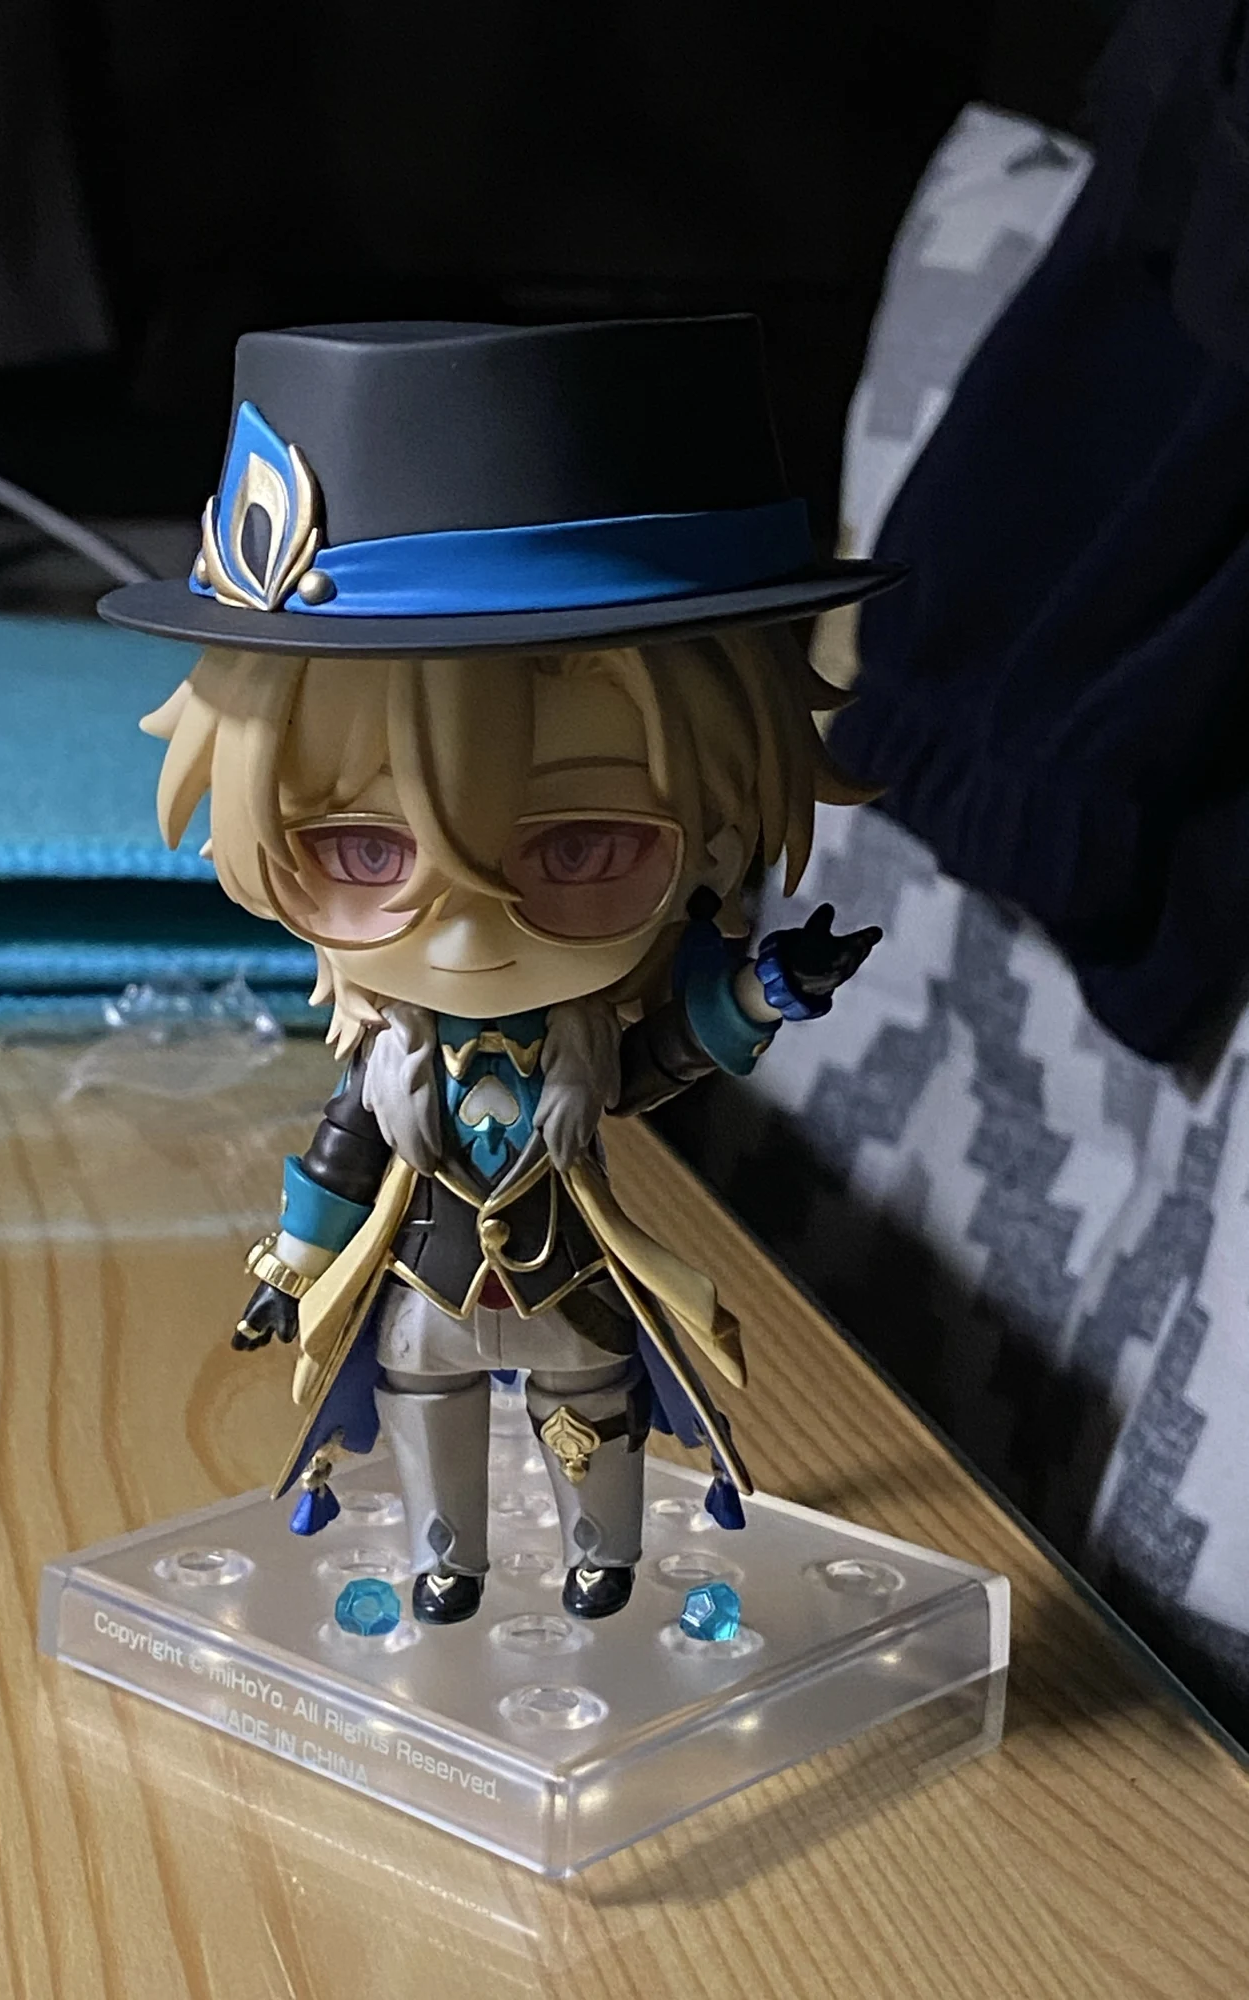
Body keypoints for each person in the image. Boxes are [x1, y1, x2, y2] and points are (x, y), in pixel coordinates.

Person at [107, 316, 897, 1623]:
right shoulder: (390, 1067)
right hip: (428, 1288)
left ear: (714, 832)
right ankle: (446, 1560)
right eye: (363, 850)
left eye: (582, 848)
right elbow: (340, 1158)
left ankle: (602, 1556)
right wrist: (289, 1270)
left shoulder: (579, 1054)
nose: (469, 935)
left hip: (565, 1279)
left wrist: (758, 993)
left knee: (593, 1407)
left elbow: (658, 1059)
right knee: (427, 1408)